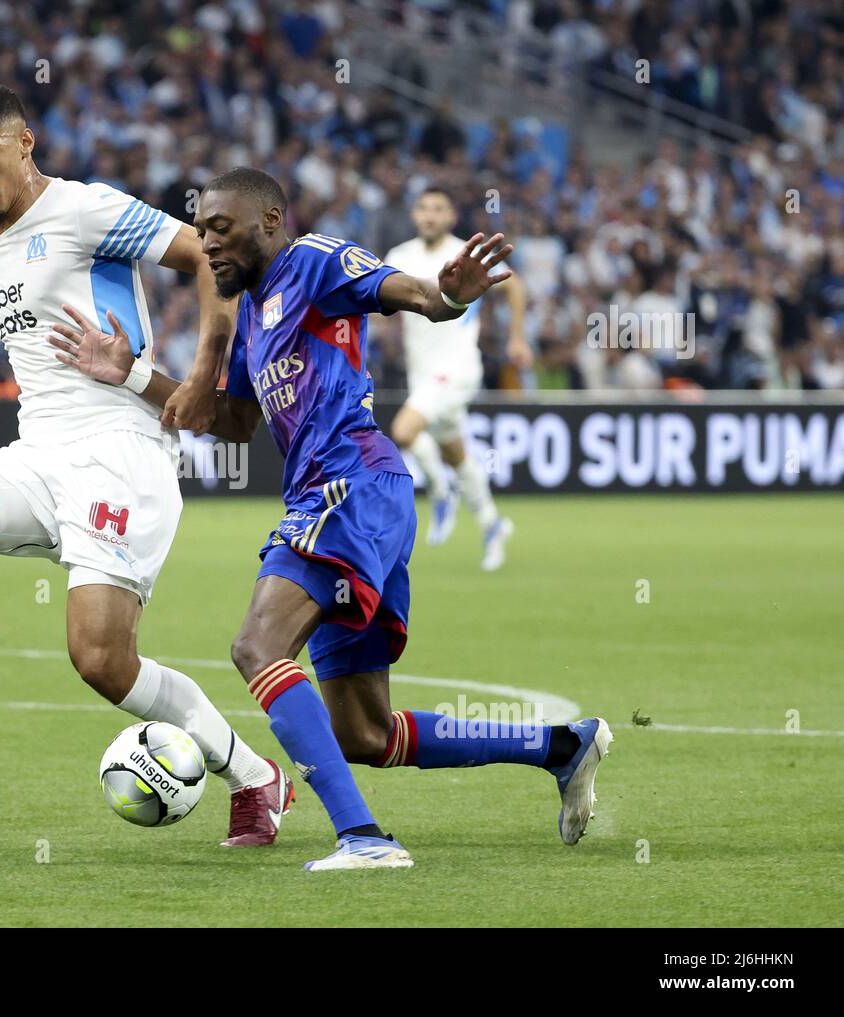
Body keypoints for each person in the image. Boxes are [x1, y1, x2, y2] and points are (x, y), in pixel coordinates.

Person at [50, 168, 612, 870]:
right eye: (201, 232)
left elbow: (407, 291)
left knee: (258, 647)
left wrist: (447, 298)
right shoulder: (252, 315)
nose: (208, 245)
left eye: (221, 229)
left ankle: (364, 837)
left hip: (351, 483)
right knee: (364, 732)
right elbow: (227, 420)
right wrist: (131, 371)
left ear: (270, 220)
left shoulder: (313, 261)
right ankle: (562, 745)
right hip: (342, 497)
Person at [0, 83, 292, 849]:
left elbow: (209, 259)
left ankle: (255, 775)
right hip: (40, 454)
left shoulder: (84, 209)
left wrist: (200, 374)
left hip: (121, 454)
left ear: (27, 143)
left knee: (101, 661)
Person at [385, 188, 532, 569]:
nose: (429, 215)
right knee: (455, 453)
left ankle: (439, 492)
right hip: (421, 373)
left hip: (459, 367)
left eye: (438, 208)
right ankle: (492, 524)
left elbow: (514, 285)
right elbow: (379, 306)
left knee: (403, 432)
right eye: (423, 207)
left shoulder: (466, 253)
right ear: (415, 214)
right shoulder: (399, 257)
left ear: (451, 217)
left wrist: (516, 334)